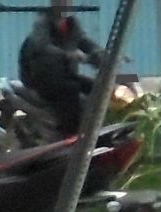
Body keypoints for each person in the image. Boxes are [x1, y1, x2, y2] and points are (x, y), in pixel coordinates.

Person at [18, 1, 106, 138]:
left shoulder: (72, 24)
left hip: (66, 74)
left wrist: (102, 53)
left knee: (99, 87)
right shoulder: (42, 23)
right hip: (42, 77)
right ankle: (71, 135)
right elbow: (42, 46)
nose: (66, 4)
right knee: (71, 89)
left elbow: (84, 41)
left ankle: (95, 130)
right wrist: (67, 54)